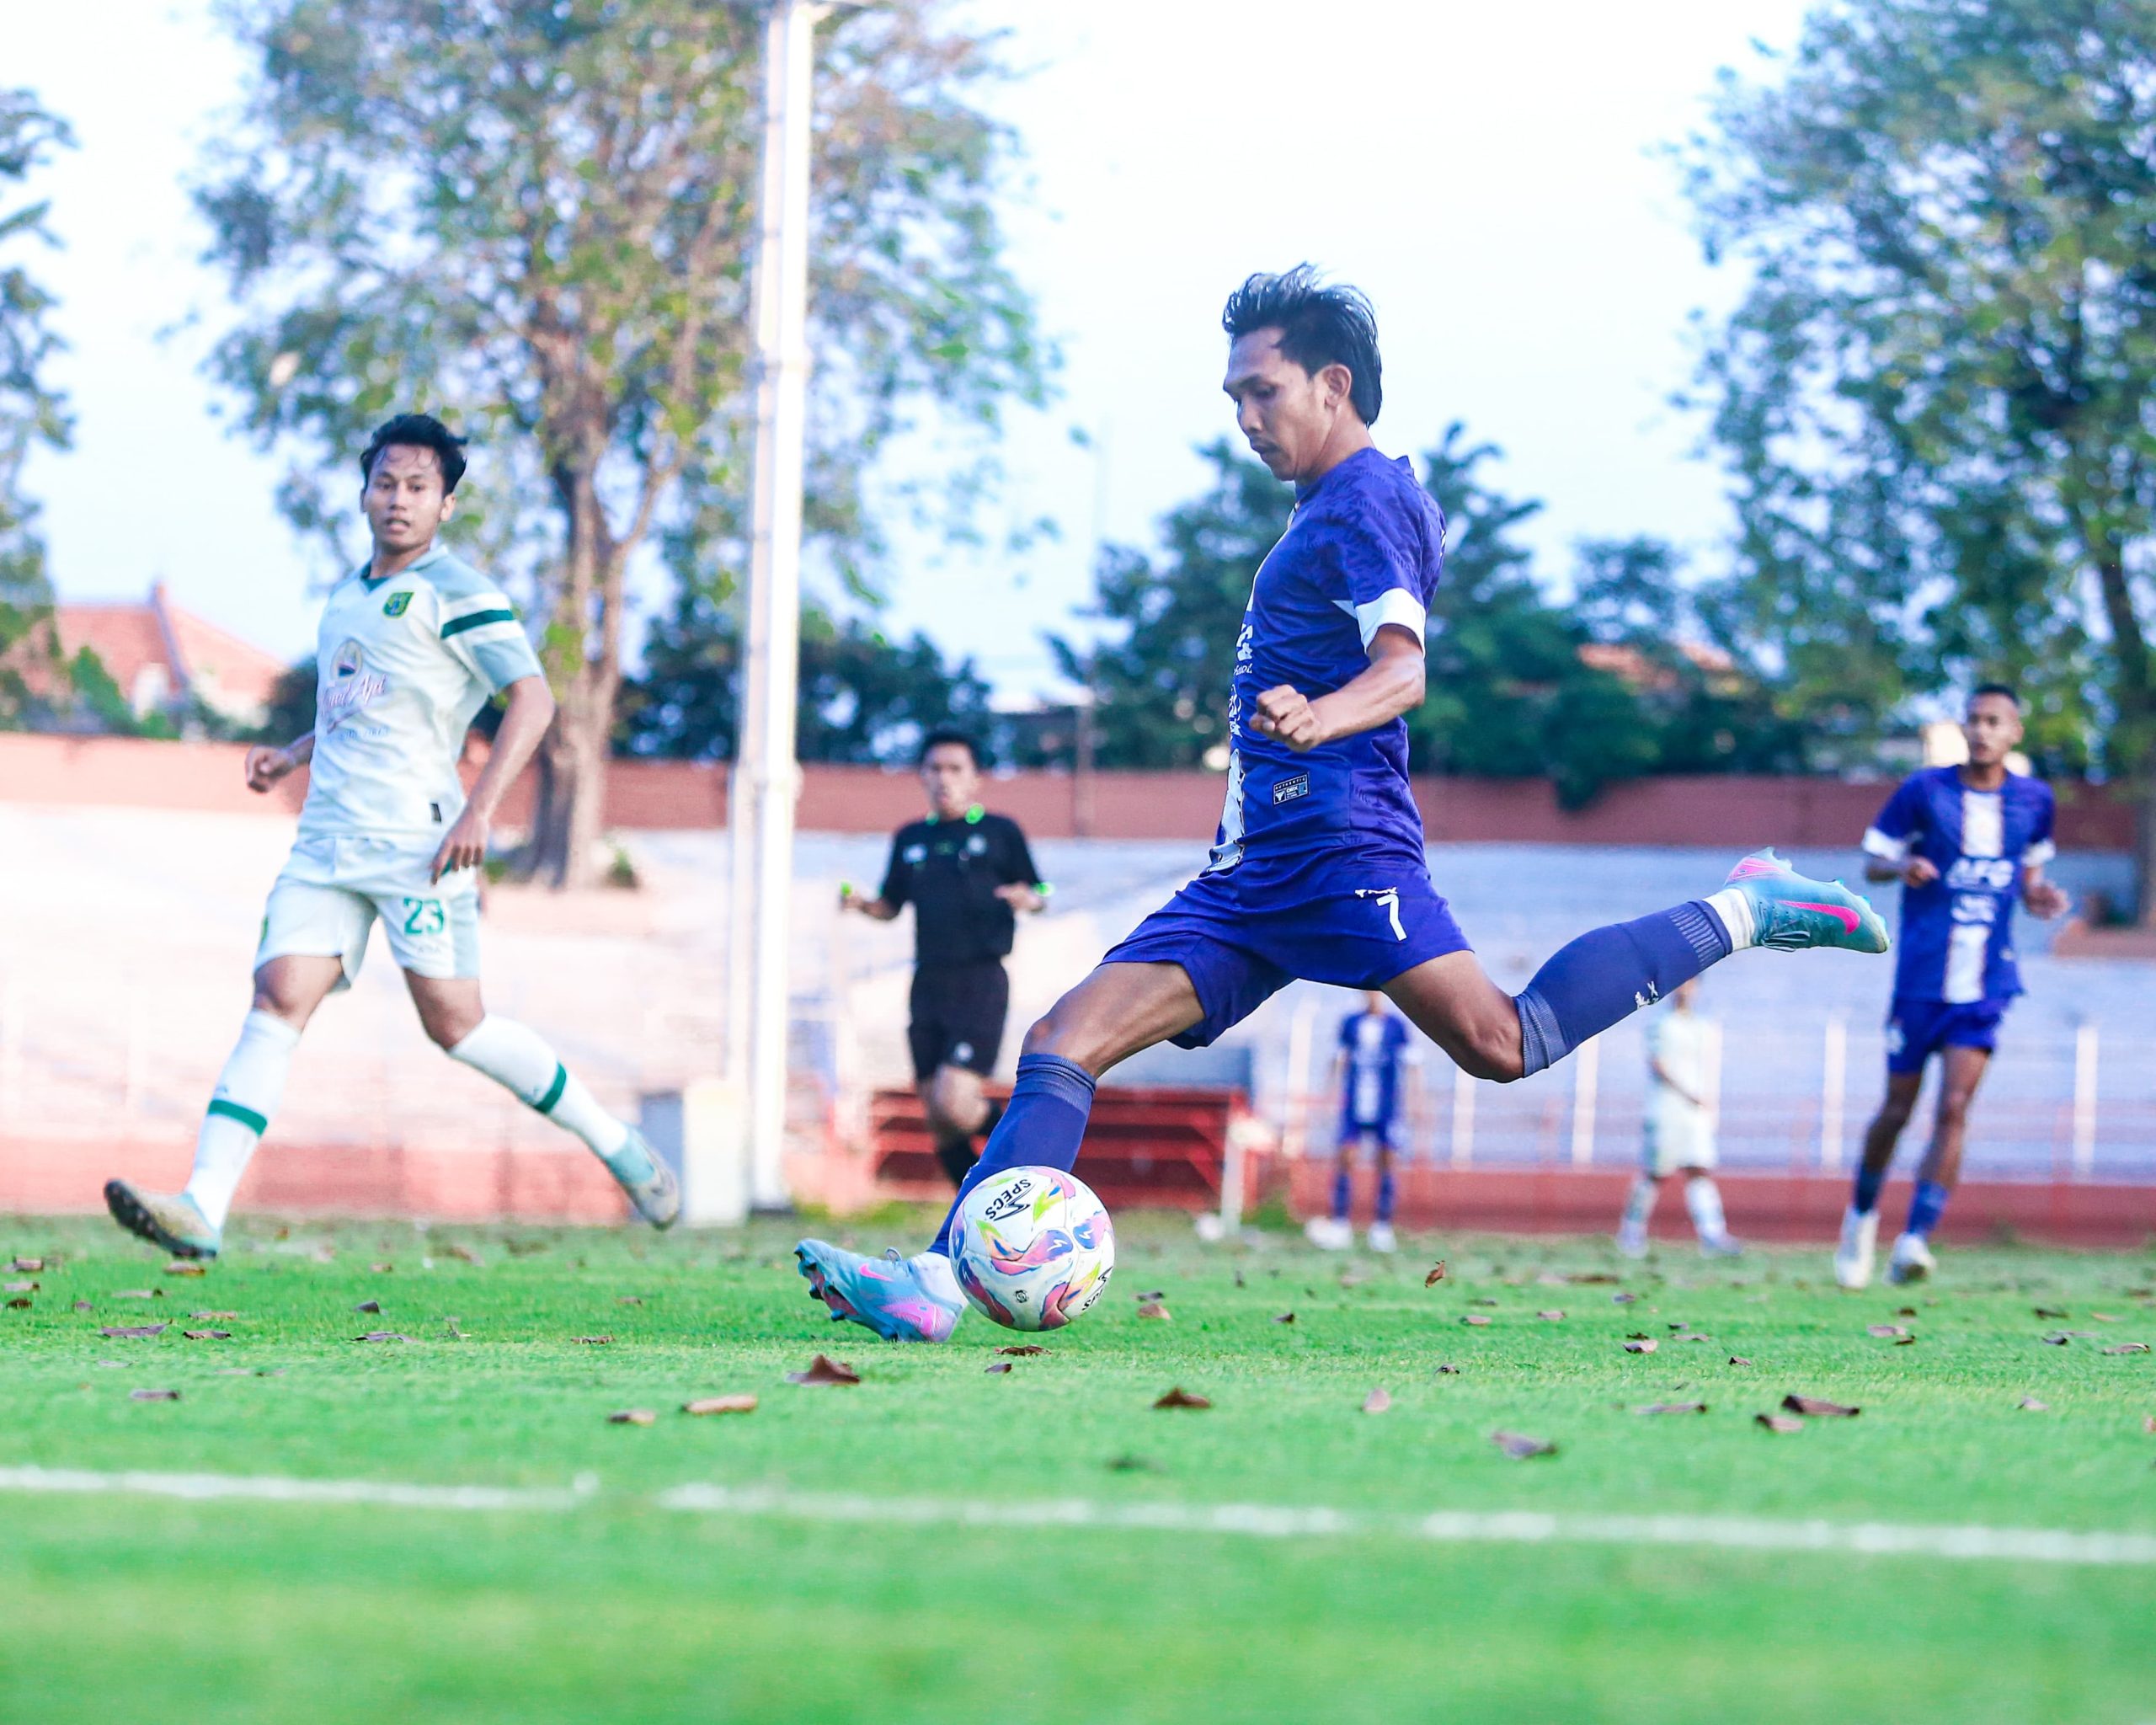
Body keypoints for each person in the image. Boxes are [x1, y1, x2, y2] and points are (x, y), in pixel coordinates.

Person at [793, 265, 1887, 1343]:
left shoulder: (1370, 497)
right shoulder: (1325, 509)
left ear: (1333, 385)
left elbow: (1404, 670)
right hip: (1251, 879)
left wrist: (1322, 718)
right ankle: (940, 1281)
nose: (1244, 419)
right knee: (1062, 1040)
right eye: (1232, 398)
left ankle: (1749, 907)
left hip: (1346, 853)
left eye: (1260, 393)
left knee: (1506, 1043)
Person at [103, 414, 677, 1259]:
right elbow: (356, 707)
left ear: (446, 503)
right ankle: (203, 1206)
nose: (398, 499)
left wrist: (482, 808)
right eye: (386, 482)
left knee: (457, 1025)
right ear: (364, 491)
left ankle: (615, 1141)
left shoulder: (461, 591)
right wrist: (291, 753)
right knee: (275, 998)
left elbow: (533, 698)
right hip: (327, 842)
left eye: (418, 487)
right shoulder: (346, 595)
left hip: (420, 843)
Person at [1833, 685, 2067, 1289]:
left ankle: (1914, 1239)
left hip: (1988, 982)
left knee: (1956, 1107)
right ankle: (1860, 1218)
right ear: (1963, 729)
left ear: (2015, 732)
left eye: (1995, 722)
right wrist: (1901, 867)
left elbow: (2028, 875)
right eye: (1974, 720)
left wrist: (2039, 895)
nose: (1983, 730)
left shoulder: (2035, 801)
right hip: (1920, 980)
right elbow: (1872, 861)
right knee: (1896, 1110)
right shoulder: (1924, 791)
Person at [841, 732, 1048, 1186]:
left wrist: (1028, 898)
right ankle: (968, 1209)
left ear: (975, 779)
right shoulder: (911, 839)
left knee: (956, 1102)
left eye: (955, 769)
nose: (944, 779)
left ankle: (1035, 1166)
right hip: (927, 983)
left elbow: (1041, 889)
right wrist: (861, 904)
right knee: (937, 1114)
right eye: (935, 769)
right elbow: (890, 906)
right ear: (922, 776)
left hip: (980, 979)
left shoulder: (999, 831)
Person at [1614, 977, 1740, 1258]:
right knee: (1656, 1172)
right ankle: (1631, 1232)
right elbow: (1658, 1064)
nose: (1686, 989)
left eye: (1691, 983)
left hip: (1695, 1112)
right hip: (1666, 1108)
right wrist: (1686, 1092)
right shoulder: (1661, 1025)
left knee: (1699, 1169)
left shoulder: (1703, 1026)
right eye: (1681, 983)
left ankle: (1712, 1234)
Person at [1306, 991, 1414, 1252]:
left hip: (1387, 1104)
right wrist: (1327, 1096)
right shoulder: (1351, 1023)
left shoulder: (1397, 1026)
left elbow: (1412, 1064)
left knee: (1387, 1161)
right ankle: (1341, 1223)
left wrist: (1415, 1102)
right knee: (1345, 1158)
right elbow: (1338, 1060)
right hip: (1353, 1103)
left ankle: (1382, 1227)